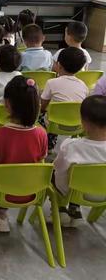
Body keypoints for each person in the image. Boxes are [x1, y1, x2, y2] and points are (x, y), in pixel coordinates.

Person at [0, 76, 48, 232]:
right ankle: (1, 216)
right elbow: (41, 159)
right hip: (29, 189)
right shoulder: (42, 134)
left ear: (7, 104)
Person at [53, 96, 106, 227]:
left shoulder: (71, 145)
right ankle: (75, 209)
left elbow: (59, 172)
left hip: (72, 193)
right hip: (103, 195)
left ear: (83, 122)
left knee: (54, 173)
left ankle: (60, 207)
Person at [40, 47, 89, 152]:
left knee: (41, 115)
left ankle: (49, 143)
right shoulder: (83, 85)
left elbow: (43, 105)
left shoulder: (51, 82)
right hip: (77, 125)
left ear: (59, 65)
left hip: (54, 125)